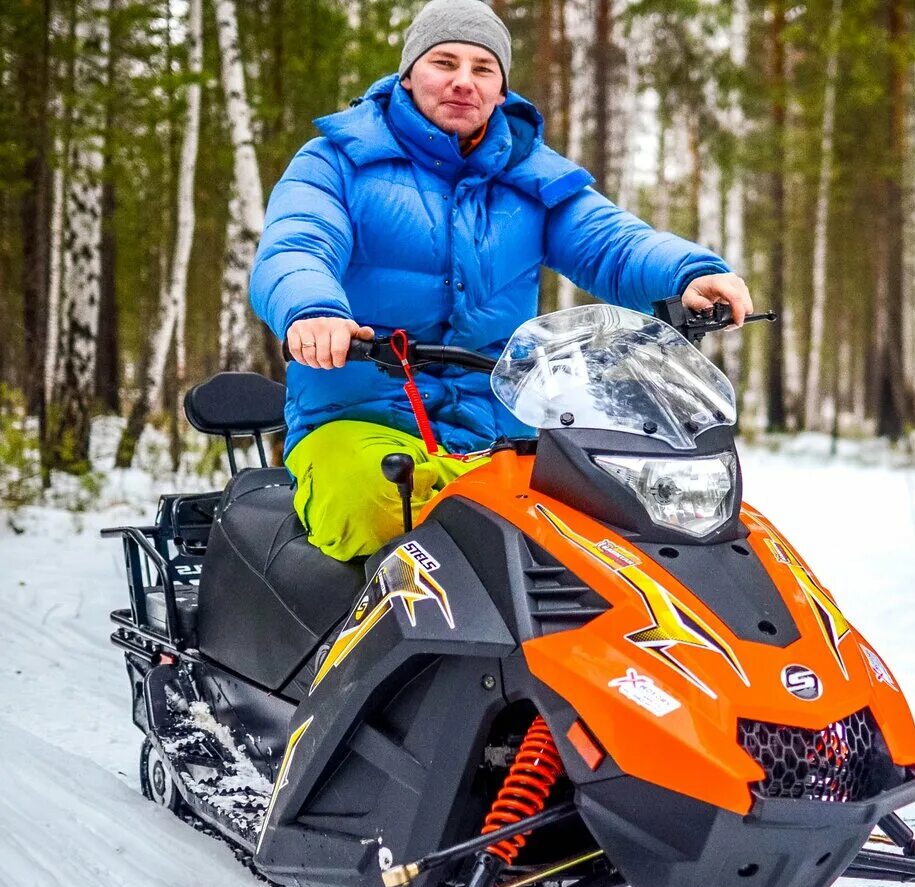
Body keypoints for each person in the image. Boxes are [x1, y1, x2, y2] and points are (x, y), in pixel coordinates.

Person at [250, 0, 752, 562]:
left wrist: (691, 272)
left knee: (592, 540)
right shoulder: (336, 162)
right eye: (445, 62)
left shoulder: (531, 176)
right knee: (373, 507)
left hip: (504, 428)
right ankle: (352, 648)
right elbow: (298, 244)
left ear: (500, 88)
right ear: (409, 72)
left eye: (483, 68)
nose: (464, 81)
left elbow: (613, 243)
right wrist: (313, 310)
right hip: (361, 414)